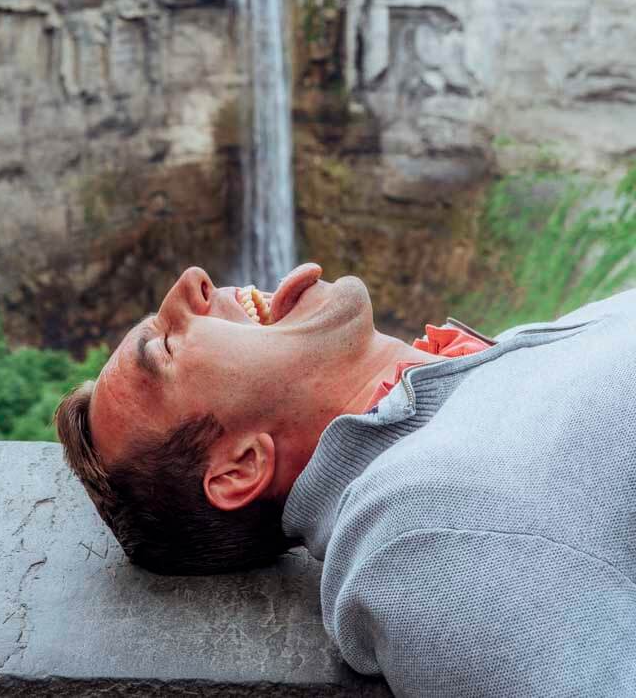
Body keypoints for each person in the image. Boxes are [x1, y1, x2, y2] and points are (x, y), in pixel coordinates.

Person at [56, 262, 636, 698]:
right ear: (240, 469)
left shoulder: (487, 381)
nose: (191, 281)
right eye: (165, 344)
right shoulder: (426, 538)